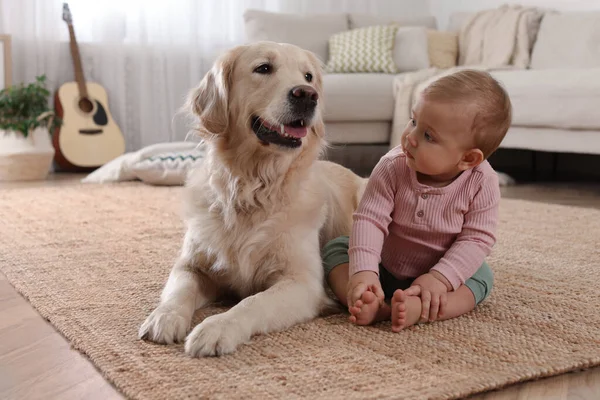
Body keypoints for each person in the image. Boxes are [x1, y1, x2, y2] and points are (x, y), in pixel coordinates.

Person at [322, 69, 512, 332]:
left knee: (480, 279)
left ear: (468, 159)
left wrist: (439, 278)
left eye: (428, 136)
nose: (410, 137)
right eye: (413, 121)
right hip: (385, 265)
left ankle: (420, 308)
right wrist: (364, 272)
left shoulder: (482, 182)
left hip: (440, 275)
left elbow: (476, 239)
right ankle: (365, 298)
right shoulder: (392, 166)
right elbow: (369, 219)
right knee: (336, 250)